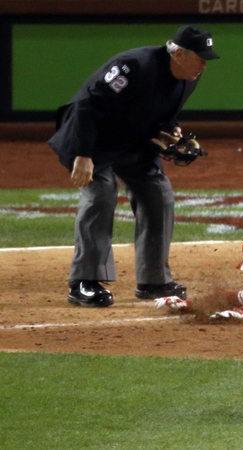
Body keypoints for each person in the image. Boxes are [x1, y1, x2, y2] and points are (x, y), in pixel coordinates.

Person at [47, 25, 219, 307]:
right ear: (178, 54)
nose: (204, 65)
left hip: (131, 143)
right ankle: (84, 282)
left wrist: (172, 132)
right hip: (91, 140)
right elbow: (87, 106)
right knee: (101, 196)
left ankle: (154, 281)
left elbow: (161, 112)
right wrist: (83, 155)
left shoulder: (189, 77)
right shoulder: (133, 66)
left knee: (158, 193)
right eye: (200, 58)